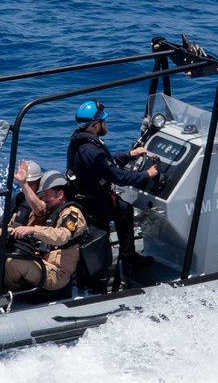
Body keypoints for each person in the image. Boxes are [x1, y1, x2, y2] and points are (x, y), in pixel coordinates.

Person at [0, 162, 87, 298]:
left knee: (13, 262)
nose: (43, 199)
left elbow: (61, 236)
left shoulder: (73, 215)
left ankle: (5, 291)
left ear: (60, 195)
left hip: (57, 273)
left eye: (46, 195)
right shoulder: (50, 209)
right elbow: (40, 209)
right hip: (40, 261)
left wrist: (32, 230)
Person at [66, 99, 158, 286]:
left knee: (122, 207)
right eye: (102, 121)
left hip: (83, 197)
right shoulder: (92, 150)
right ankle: (129, 260)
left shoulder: (80, 141)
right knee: (123, 209)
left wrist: (129, 155)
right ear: (94, 125)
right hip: (95, 204)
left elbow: (105, 163)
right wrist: (147, 174)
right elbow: (119, 177)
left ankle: (126, 258)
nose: (105, 124)